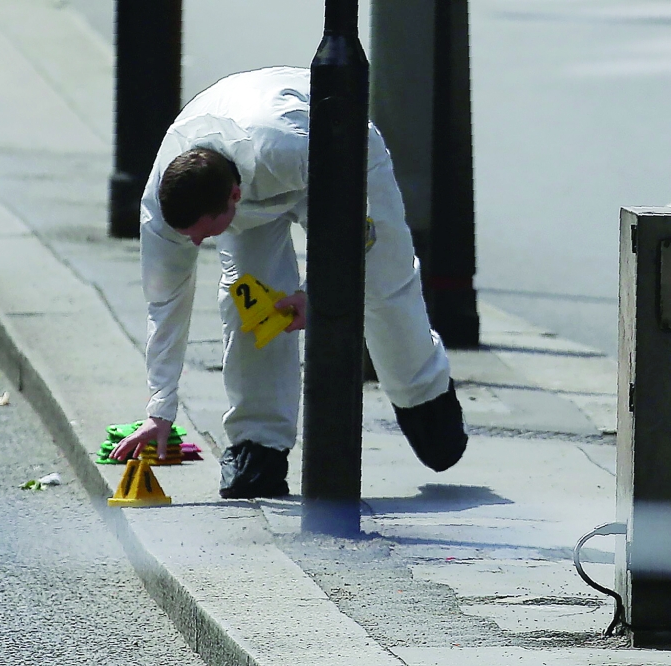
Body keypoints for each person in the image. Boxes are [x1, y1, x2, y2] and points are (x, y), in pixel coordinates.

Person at [109, 66, 467, 498]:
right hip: (254, 158)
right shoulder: (164, 209)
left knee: (383, 284)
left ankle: (425, 397)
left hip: (335, 146)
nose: (198, 242)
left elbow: (360, 232)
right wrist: (160, 409)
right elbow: (165, 302)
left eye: (206, 230)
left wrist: (319, 295)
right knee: (251, 304)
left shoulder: (288, 149)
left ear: (234, 200)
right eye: (191, 235)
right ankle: (257, 446)